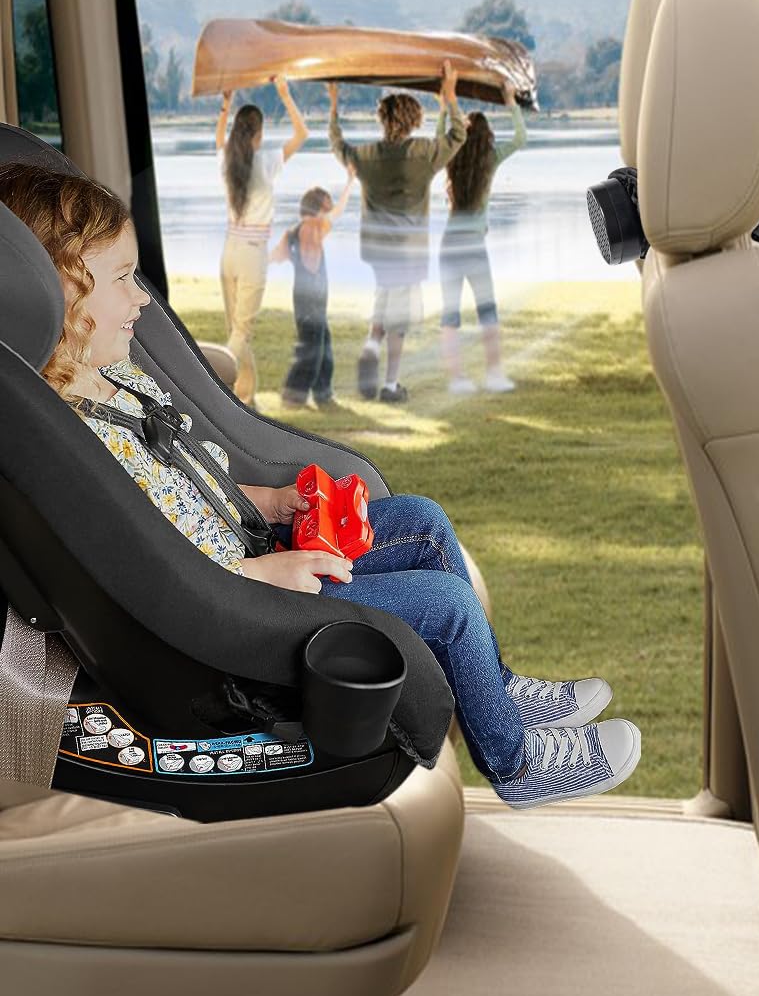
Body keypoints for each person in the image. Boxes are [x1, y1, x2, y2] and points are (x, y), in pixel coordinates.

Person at [0, 160, 640, 808]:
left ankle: (494, 689)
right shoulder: (68, 442)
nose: (142, 297)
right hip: (240, 613)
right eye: (120, 279)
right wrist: (257, 575)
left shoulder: (115, 378)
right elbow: (144, 574)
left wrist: (272, 503)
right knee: (447, 604)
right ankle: (517, 763)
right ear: (55, 292)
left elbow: (192, 482)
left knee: (422, 521)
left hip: (257, 556)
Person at [329, 63, 467, 405]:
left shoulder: (365, 156)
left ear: (383, 119)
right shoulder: (423, 153)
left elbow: (338, 145)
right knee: (399, 322)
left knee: (385, 301)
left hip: (378, 251)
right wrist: (450, 97)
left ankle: (370, 346)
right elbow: (458, 136)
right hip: (409, 252)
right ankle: (390, 386)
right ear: (413, 120)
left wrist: (333, 105)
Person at [216, 76, 307, 406]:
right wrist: (284, 93)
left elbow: (219, 139)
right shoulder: (267, 161)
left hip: (229, 253)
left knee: (238, 330)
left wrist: (226, 103)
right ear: (259, 133)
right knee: (240, 333)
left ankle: (246, 398)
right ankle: (216, 389)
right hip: (252, 255)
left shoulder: (227, 160)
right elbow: (302, 133)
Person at [439, 82, 526, 394]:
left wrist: (444, 108)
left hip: (449, 243)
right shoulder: (490, 159)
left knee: (450, 314)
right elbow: (520, 137)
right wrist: (510, 101)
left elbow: (439, 139)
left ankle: (457, 379)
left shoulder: (452, 158)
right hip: (474, 244)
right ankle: (493, 375)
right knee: (487, 311)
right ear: (487, 135)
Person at [270, 171, 355, 409]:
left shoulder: (292, 234)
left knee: (322, 345)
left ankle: (322, 394)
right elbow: (338, 211)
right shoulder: (314, 227)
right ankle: (294, 394)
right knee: (313, 349)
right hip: (311, 300)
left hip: (306, 299)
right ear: (318, 207)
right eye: (326, 205)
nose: (330, 209)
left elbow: (274, 257)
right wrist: (350, 182)